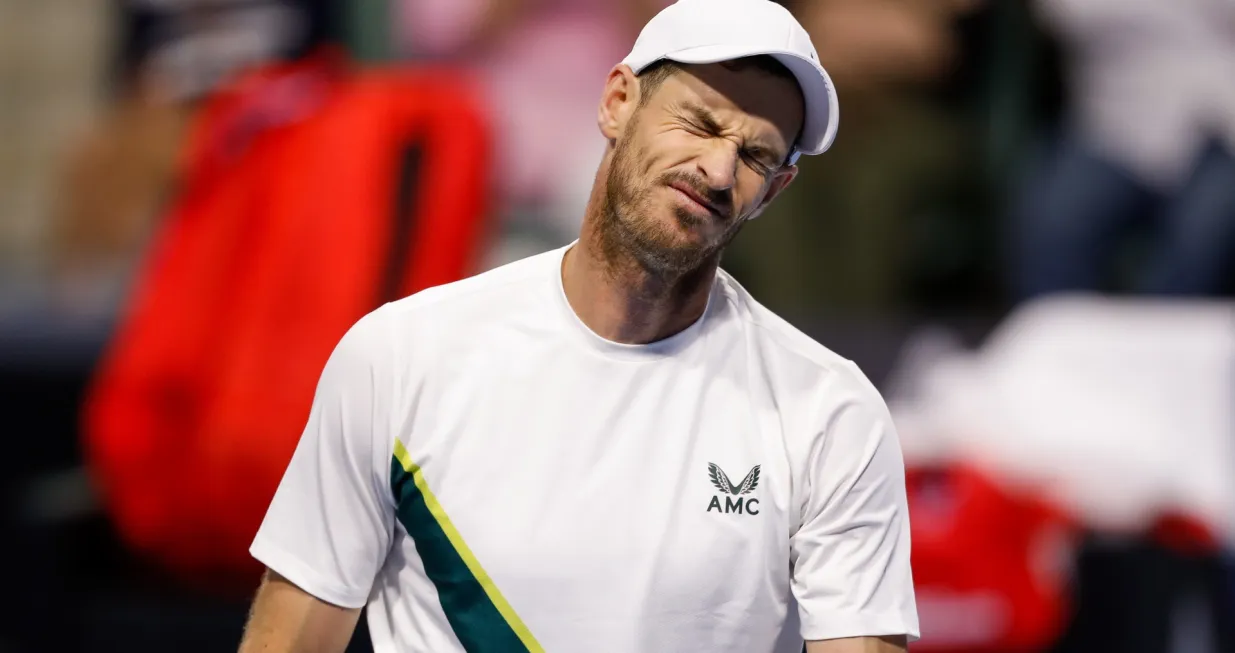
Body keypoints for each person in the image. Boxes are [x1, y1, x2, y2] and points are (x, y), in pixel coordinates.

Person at [238, 1, 919, 651]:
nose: (718, 170)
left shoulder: (831, 411)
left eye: (754, 156)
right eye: (702, 125)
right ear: (617, 102)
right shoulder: (399, 356)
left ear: (773, 191)